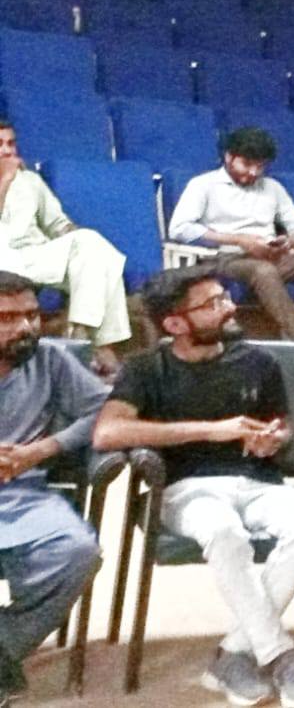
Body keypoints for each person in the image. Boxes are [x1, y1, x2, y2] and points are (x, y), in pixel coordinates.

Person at [93, 266, 294, 708]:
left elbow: (281, 424)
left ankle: (234, 654)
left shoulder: (258, 362)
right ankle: (279, 656)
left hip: (257, 482)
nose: (230, 308)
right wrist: (210, 430)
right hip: (185, 489)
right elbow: (107, 433)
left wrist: (274, 438)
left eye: (225, 297)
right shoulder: (146, 369)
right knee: (224, 532)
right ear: (175, 323)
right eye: (213, 304)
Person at [0, 271, 109, 707]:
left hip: (23, 493)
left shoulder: (49, 359)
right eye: (8, 318)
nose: (26, 327)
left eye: (31, 315)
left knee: (78, 552)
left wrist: (41, 450)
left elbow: (107, 410)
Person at [167, 127, 294, 373]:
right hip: (226, 258)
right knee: (263, 271)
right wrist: (239, 240)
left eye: (260, 166)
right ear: (228, 157)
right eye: (246, 164)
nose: (253, 173)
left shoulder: (272, 187)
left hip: (271, 255)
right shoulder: (203, 185)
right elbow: (179, 229)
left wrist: (289, 242)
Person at [0, 121, 132, 376]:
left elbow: (57, 223)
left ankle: (80, 332)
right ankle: (100, 346)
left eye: (11, 143)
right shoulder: (9, 176)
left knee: (95, 247)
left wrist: (75, 238)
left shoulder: (30, 180)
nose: (7, 151)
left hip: (33, 255)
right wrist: (5, 178)